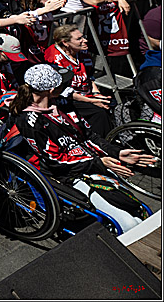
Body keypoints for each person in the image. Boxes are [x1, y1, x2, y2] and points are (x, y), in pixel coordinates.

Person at [11, 64, 154, 233]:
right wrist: (100, 163)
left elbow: (90, 136)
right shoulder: (30, 122)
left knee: (141, 214)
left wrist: (118, 152)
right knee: (129, 224)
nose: (67, 86)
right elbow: (55, 161)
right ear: (51, 89)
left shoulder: (63, 107)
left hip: (94, 165)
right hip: (70, 176)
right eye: (63, 84)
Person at [43, 25, 113, 136]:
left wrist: (97, 94)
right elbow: (63, 91)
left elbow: (89, 77)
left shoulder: (83, 52)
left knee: (110, 103)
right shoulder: (54, 58)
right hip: (66, 99)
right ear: (65, 43)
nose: (85, 40)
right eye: (79, 39)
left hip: (86, 95)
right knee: (99, 113)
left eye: (83, 37)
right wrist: (93, 101)